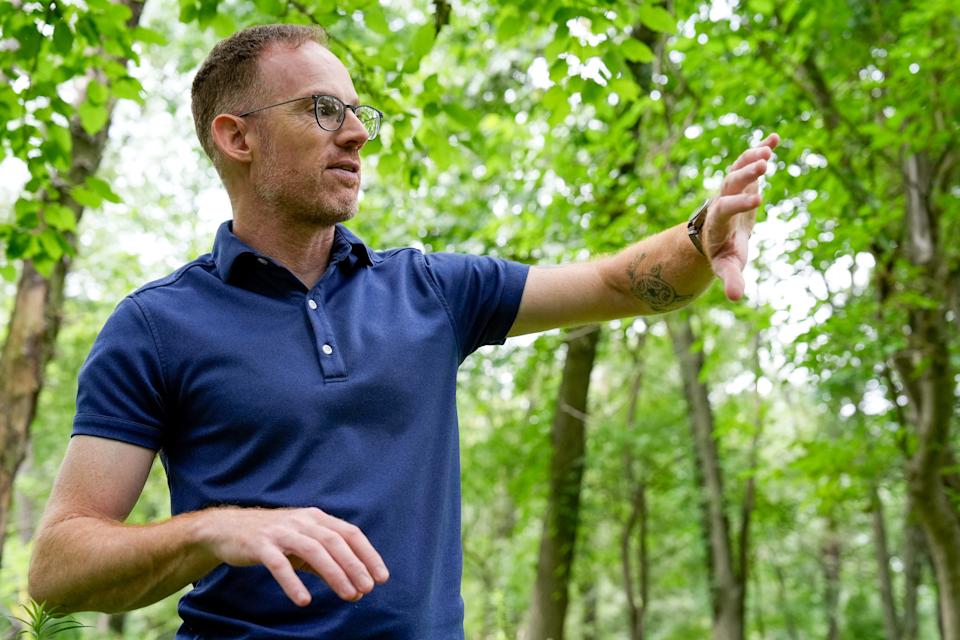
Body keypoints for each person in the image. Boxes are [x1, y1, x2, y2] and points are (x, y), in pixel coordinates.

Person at [27, 23, 779, 640]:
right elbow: (58, 568)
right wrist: (211, 531)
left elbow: (621, 282)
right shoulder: (155, 326)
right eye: (324, 109)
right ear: (236, 137)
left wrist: (697, 235)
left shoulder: (432, 289)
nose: (356, 134)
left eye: (359, 112)